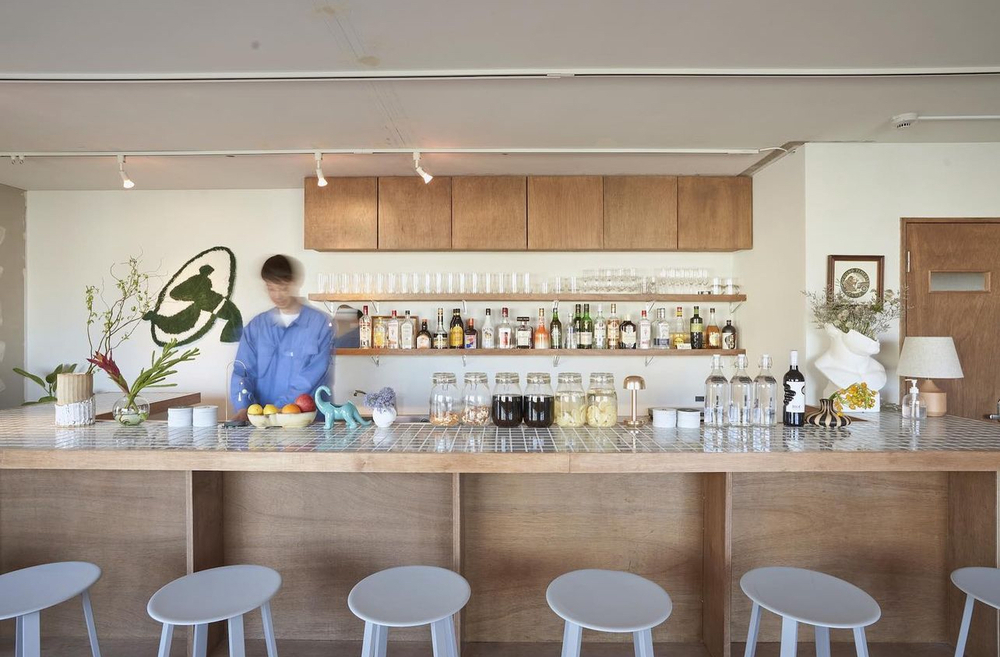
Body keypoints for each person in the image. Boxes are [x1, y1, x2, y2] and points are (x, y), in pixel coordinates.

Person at [230, 255, 333, 420]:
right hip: (263, 422)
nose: (277, 295)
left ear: (295, 283)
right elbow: (242, 372)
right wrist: (244, 407)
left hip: (307, 421)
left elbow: (313, 375)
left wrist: (279, 408)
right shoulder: (256, 327)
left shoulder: (319, 324)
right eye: (271, 288)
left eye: (283, 288)